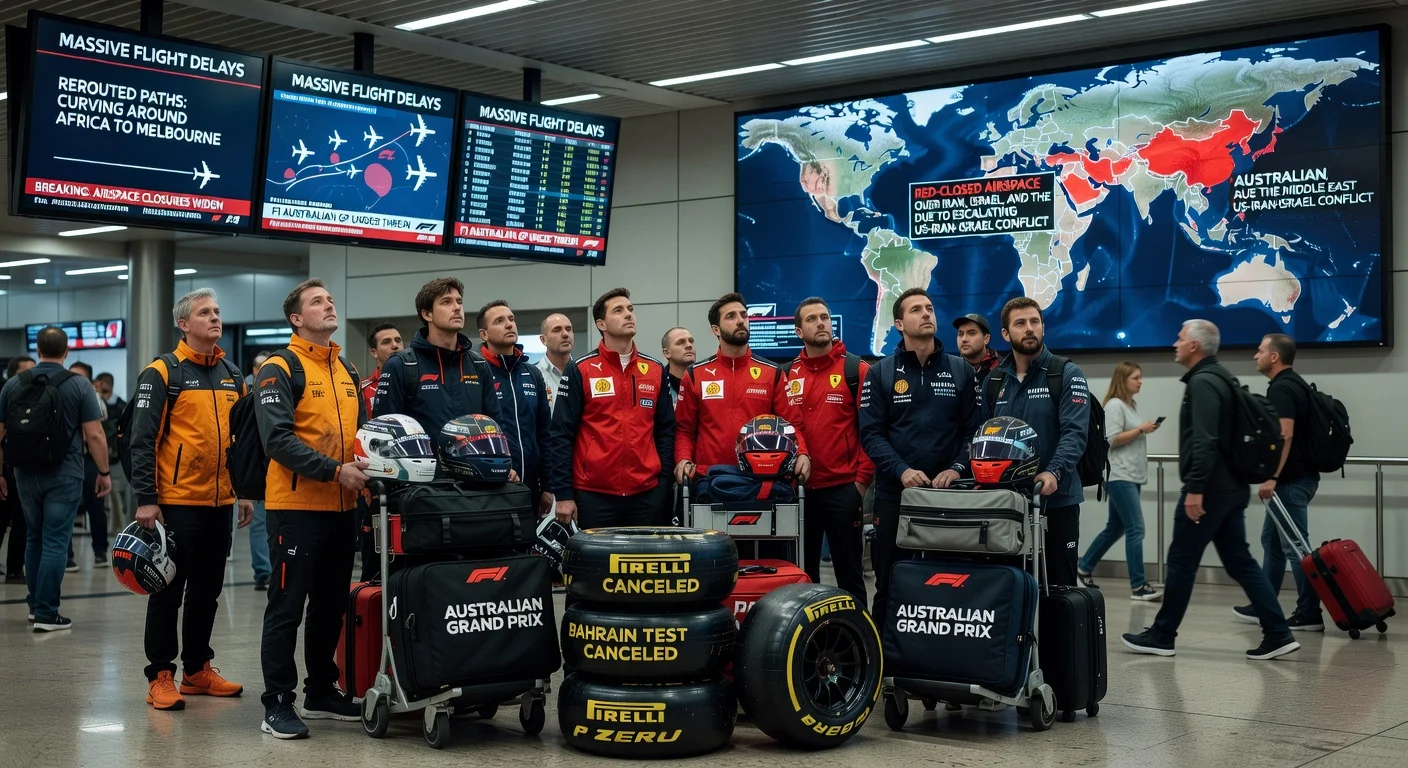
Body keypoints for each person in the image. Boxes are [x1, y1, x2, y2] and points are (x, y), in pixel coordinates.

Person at [1122, 319, 1300, 661]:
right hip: (1230, 487)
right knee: (1240, 561)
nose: (1175, 343)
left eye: (1179, 337)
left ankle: (1162, 635)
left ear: (1195, 346)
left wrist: (1195, 489)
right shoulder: (1221, 377)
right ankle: (1278, 632)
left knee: (1181, 560)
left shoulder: (1204, 382)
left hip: (1211, 489)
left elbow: (1206, 441)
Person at [255, 279, 369, 738]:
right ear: (296, 319)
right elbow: (276, 439)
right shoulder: (280, 368)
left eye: (330, 300)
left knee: (329, 607)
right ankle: (277, 704)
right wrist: (334, 471)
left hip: (342, 508)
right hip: (296, 506)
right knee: (286, 608)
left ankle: (321, 689)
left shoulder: (346, 369)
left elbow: (357, 434)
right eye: (317, 302)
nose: (328, 306)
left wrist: (365, 468)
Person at [129, 288, 251, 711]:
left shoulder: (233, 374)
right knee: (166, 590)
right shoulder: (163, 372)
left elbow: (239, 443)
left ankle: (197, 669)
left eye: (217, 311)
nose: (215, 318)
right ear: (184, 324)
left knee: (207, 591)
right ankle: (160, 674)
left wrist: (243, 492)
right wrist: (147, 499)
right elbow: (142, 442)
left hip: (220, 502)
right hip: (176, 502)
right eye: (204, 313)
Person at [859, 289, 981, 620]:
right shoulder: (880, 372)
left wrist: (957, 469)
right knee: (889, 580)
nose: (926, 314)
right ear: (899, 323)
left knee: (947, 579)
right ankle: (882, 661)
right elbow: (870, 434)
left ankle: (937, 654)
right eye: (916, 310)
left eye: (929, 308)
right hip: (894, 494)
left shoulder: (961, 371)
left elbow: (974, 432)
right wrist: (901, 470)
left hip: (949, 495)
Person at [0, 326, 111, 632]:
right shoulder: (79, 384)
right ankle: (48, 612)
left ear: (38, 351)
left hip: (24, 472)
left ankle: (36, 607)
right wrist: (103, 472)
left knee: (34, 537)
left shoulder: (13, 385)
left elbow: (0, 434)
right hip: (65, 473)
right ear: (66, 352)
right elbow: (94, 433)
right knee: (55, 541)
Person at [981, 297, 1091, 587]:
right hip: (1006, 506)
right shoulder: (994, 382)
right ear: (1006, 334)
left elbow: (1075, 434)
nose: (1029, 329)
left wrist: (1053, 472)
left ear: (1043, 327)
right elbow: (980, 436)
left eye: (1034, 322)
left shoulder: (1066, 373)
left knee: (1058, 589)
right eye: (1020, 323)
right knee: (1011, 587)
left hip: (1056, 503)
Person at [546, 288, 674, 528]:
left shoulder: (655, 369)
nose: (628, 315)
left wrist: (663, 484)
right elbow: (561, 435)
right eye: (619, 310)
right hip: (594, 496)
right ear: (601, 324)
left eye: (630, 310)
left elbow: (666, 431)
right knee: (597, 566)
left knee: (643, 565)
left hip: (646, 495)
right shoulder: (581, 369)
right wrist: (563, 494)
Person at [1233, 334, 1324, 631]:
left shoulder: (1283, 389)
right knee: (1271, 543)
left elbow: (1285, 435)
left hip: (1290, 480)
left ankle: (1309, 612)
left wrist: (1273, 476)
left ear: (1274, 357)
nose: (1254, 356)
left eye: (1259, 351)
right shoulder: (1294, 384)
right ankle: (1265, 604)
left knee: (1296, 547)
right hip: (1298, 478)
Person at [785, 297, 872, 602]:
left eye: (824, 317)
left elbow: (870, 431)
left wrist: (860, 484)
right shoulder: (787, 374)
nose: (821, 323)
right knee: (803, 575)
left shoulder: (855, 369)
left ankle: (860, 643)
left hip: (844, 490)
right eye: (812, 319)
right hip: (799, 492)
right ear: (799, 331)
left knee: (850, 575)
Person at [674, 292, 808, 487]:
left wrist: (803, 453)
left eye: (744, 315)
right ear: (715, 329)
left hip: (763, 480)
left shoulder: (772, 372)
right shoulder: (695, 374)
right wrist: (683, 459)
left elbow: (793, 424)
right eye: (731, 316)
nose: (740, 321)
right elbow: (684, 429)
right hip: (710, 479)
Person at [373, 277, 504, 442]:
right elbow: (386, 431)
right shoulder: (401, 365)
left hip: (473, 465)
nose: (457, 308)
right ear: (427, 314)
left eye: (459, 301)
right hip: (424, 467)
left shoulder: (478, 364)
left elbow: (495, 425)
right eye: (446, 302)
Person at [1076, 361, 1163, 600]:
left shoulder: (1129, 405)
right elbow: (1112, 440)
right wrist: (1141, 430)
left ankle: (1083, 567)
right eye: (1136, 377)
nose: (1140, 381)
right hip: (1119, 475)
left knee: (1116, 527)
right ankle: (1138, 585)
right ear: (1123, 380)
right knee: (1136, 528)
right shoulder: (1115, 406)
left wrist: (1142, 429)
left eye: (1140, 377)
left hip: (1131, 475)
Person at [478, 300, 552, 514]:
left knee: (529, 546)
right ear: (484, 334)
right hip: (490, 487)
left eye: (511, 319)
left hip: (530, 486)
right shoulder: (475, 371)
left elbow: (545, 433)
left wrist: (548, 486)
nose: (509, 324)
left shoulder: (532, 373)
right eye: (500, 321)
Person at [66, 361, 109, 569]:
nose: (74, 381)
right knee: (66, 507)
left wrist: (105, 470)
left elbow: (97, 429)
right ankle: (67, 556)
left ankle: (101, 551)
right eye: (71, 375)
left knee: (96, 505)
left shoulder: (95, 399)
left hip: (90, 459)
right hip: (68, 459)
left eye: (80, 377)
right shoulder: (61, 395)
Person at [0, 355, 35, 583]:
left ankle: (15, 568)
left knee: (23, 522)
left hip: (27, 471)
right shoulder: (5, 399)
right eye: (25, 373)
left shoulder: (40, 401)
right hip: (5, 469)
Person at [94, 372, 131, 528]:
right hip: (98, 454)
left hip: (114, 456)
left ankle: (118, 526)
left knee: (115, 491)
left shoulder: (120, 406)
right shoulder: (96, 403)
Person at [361, 323, 402, 415]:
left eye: (398, 340)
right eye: (386, 342)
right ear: (374, 353)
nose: (395, 345)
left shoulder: (419, 383)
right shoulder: (362, 390)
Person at [536, 313, 574, 413]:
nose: (565, 334)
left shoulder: (583, 371)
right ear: (543, 340)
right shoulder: (533, 375)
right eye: (557, 330)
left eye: (568, 329)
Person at [661, 327, 695, 405]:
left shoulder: (704, 380)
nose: (689, 345)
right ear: (667, 353)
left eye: (691, 341)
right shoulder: (659, 383)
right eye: (681, 342)